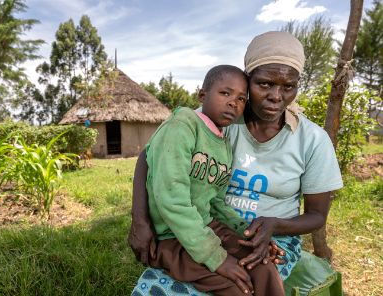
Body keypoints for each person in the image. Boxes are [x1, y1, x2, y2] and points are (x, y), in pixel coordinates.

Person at [128, 31, 344, 294]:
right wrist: (139, 220)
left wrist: (275, 224)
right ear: (247, 79)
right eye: (264, 84)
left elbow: (317, 215)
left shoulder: (312, 140)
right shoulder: (218, 120)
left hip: (273, 236)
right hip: (198, 226)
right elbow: (151, 155)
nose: (276, 96)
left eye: (288, 86)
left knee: (252, 282)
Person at [143, 65, 284, 296]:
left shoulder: (223, 145)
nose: (233, 103)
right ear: (202, 95)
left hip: (207, 227)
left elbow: (217, 202)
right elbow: (171, 201)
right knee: (238, 287)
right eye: (225, 93)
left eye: (241, 98)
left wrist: (248, 234)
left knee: (263, 267)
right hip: (172, 237)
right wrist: (217, 258)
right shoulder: (182, 126)